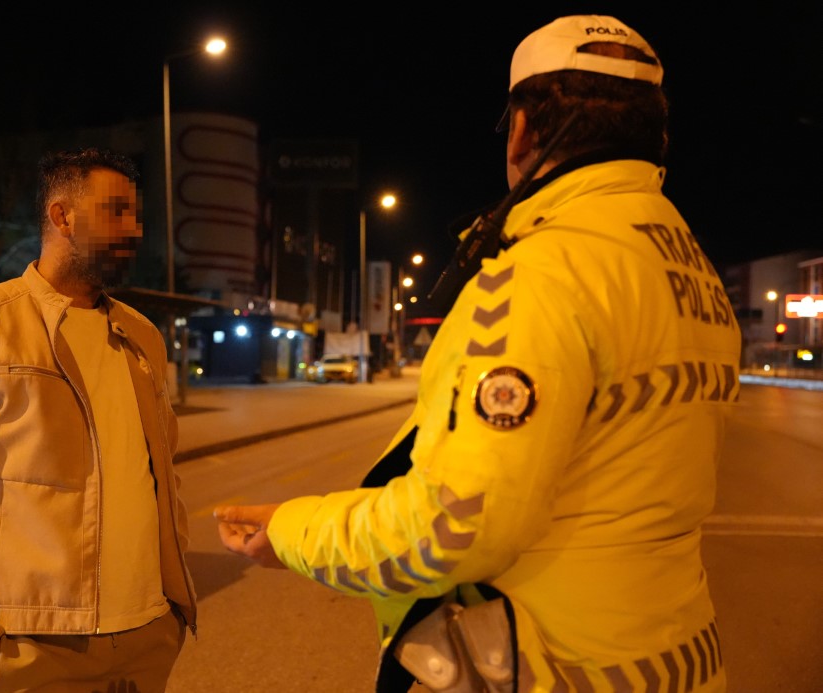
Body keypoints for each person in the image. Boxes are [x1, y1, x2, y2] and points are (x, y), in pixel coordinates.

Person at [215, 15, 739, 692]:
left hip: (555, 668)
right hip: (676, 660)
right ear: (653, 136)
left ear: (523, 128)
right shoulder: (687, 267)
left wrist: (293, 531)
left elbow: (454, 526)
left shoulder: (545, 271)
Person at [0, 148, 197, 692]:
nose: (133, 228)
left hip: (145, 637)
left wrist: (173, 612)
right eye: (115, 212)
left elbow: (164, 478)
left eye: (136, 215)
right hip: (32, 647)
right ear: (63, 217)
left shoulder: (142, 337)